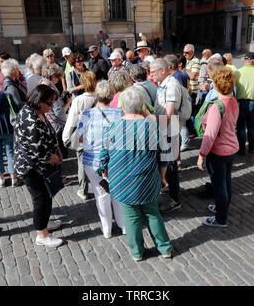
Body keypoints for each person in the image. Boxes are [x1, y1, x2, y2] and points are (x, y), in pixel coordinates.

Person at [97, 87, 172, 261]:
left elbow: (103, 157)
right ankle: (165, 248)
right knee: (152, 213)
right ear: (141, 106)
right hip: (147, 180)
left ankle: (137, 252)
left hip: (122, 182)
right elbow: (164, 156)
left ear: (123, 107)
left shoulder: (112, 127)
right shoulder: (151, 126)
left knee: (131, 218)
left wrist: (107, 176)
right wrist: (162, 177)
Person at [14, 85, 64, 248]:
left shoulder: (36, 111)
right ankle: (42, 235)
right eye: (49, 104)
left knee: (46, 196)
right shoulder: (31, 120)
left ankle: (45, 222)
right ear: (38, 101)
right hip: (31, 168)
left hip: (38, 165)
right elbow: (39, 153)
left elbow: (47, 133)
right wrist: (54, 158)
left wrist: (55, 147)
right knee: (41, 199)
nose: (51, 107)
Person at [78, 80, 125, 238]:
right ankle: (123, 225)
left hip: (93, 160)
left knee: (101, 193)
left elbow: (80, 137)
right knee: (118, 192)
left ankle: (107, 230)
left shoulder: (87, 114)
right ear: (112, 96)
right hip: (115, 160)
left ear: (96, 96)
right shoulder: (120, 113)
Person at [197, 66, 239, 227]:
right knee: (226, 180)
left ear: (216, 84)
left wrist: (202, 155)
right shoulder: (233, 100)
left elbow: (210, 135)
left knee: (219, 185)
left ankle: (221, 217)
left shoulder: (216, 106)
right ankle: (224, 206)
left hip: (219, 151)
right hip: (231, 147)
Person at [149, 58, 183, 213]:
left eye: (153, 72)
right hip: (166, 128)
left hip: (168, 128)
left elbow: (168, 114)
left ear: (162, 70)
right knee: (167, 163)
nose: (150, 75)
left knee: (170, 165)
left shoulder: (172, 85)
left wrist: (159, 133)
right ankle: (172, 191)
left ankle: (175, 200)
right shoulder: (164, 84)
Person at [62, 71, 97, 200]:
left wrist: (65, 137)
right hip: (98, 134)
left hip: (83, 134)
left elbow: (72, 121)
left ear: (83, 84)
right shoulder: (100, 97)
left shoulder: (79, 100)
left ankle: (83, 190)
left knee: (82, 163)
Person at [40, 64, 72, 159]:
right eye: (57, 77)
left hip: (47, 121)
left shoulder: (41, 83)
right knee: (59, 153)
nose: (58, 80)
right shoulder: (51, 90)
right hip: (55, 125)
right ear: (53, 76)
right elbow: (59, 113)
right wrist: (69, 103)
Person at [165, 54, 190, 154]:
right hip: (179, 105)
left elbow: (178, 92)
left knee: (181, 127)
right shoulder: (179, 73)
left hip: (178, 107)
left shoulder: (176, 76)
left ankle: (184, 143)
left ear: (170, 66)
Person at [183, 44, 201, 138]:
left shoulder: (196, 61)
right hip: (185, 90)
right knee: (187, 111)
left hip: (191, 91)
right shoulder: (187, 60)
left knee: (189, 112)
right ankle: (190, 130)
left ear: (192, 52)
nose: (184, 54)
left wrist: (183, 70)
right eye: (184, 52)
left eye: (187, 52)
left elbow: (193, 75)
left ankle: (192, 130)